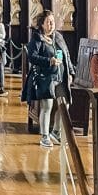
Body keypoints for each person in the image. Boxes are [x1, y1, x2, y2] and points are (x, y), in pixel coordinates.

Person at [22, 10, 69, 142]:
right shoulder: (37, 38)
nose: (51, 24)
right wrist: (49, 61)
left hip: (59, 75)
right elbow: (32, 57)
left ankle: (56, 131)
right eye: (48, 22)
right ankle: (44, 136)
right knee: (47, 106)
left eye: (53, 22)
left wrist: (70, 71)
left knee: (64, 104)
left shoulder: (58, 37)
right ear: (42, 24)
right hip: (44, 77)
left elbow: (66, 54)